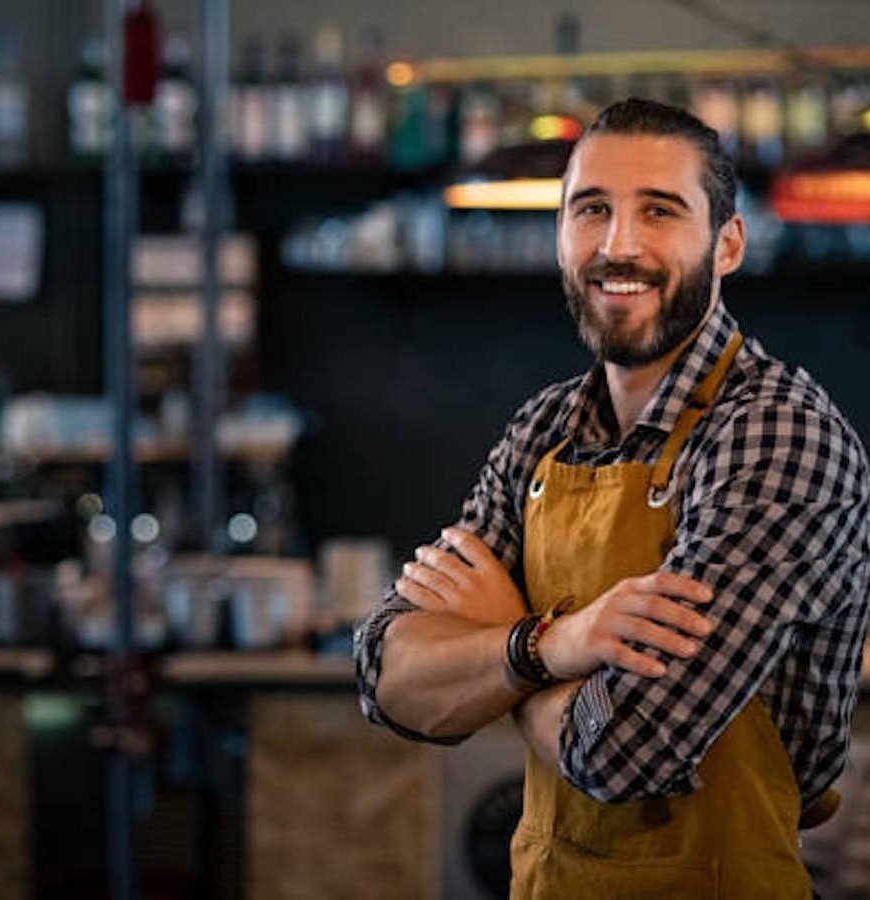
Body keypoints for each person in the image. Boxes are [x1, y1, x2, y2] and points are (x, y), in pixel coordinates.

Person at [354, 98, 870, 898]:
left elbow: (627, 749)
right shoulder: (543, 429)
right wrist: (550, 646)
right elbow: (386, 675)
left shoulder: (778, 436)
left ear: (726, 243)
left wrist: (497, 653)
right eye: (590, 210)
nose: (617, 245)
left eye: (659, 212)